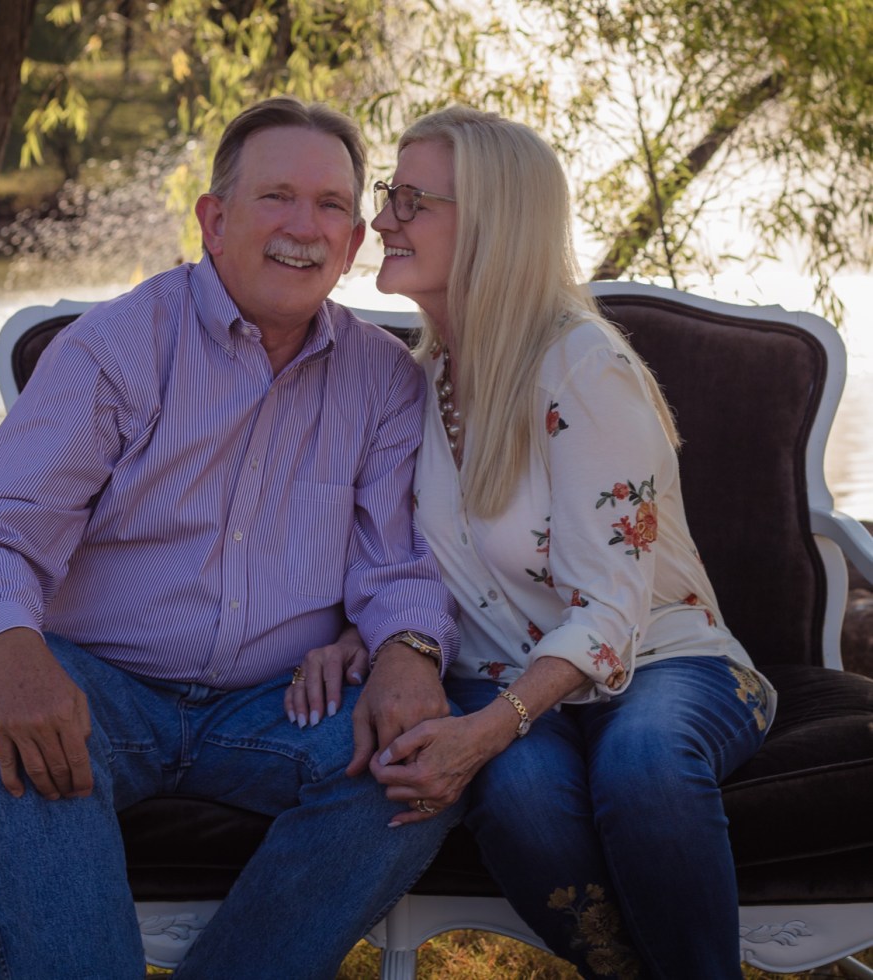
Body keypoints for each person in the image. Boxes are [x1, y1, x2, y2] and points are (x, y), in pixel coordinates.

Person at [0, 96, 463, 980]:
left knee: (417, 763)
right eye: (276, 197)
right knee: (3, 717)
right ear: (213, 220)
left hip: (280, 703)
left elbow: (396, 562)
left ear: (354, 241)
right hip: (102, 686)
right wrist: (14, 654)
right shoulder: (116, 349)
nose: (304, 227)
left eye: (330, 205)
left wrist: (408, 648)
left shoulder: (383, 381)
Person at [288, 105, 775, 979]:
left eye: (412, 201)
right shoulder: (417, 382)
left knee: (645, 766)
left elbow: (613, 610)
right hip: (501, 670)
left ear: (494, 224)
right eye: (391, 193)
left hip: (666, 660)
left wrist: (488, 728)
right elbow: (412, 558)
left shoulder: (582, 368)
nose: (383, 218)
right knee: (517, 797)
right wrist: (365, 634)